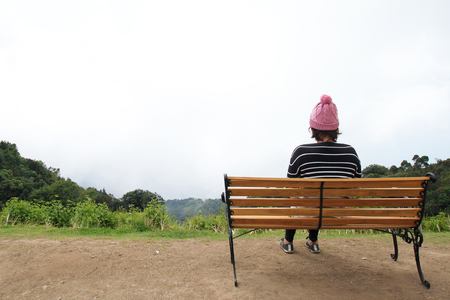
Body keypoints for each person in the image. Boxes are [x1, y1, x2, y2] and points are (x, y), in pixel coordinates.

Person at [279, 94, 362, 254]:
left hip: (305, 213)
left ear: (313, 128)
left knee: (299, 198)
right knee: (318, 199)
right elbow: (355, 187)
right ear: (336, 128)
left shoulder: (301, 152)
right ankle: (313, 241)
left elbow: (291, 187)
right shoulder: (351, 153)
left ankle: (288, 241)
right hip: (338, 215)